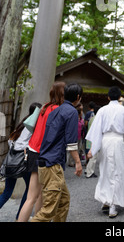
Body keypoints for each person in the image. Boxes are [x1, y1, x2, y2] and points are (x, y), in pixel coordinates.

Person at [30, 83, 83, 222]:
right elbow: (71, 143)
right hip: (52, 164)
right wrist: (78, 162)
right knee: (48, 210)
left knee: (64, 201)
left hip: (46, 162)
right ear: (78, 97)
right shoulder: (71, 112)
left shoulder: (55, 111)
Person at [17, 82, 66, 222]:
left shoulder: (44, 106)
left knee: (33, 196)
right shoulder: (58, 110)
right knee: (37, 196)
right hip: (44, 153)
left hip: (33, 150)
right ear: (63, 94)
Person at [86, 86, 124, 218]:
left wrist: (93, 148)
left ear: (108, 97)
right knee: (118, 172)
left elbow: (96, 130)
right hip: (118, 141)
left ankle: (106, 201)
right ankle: (112, 205)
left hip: (105, 141)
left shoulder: (102, 110)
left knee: (106, 171)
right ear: (120, 97)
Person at [0, 102, 42, 220]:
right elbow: (25, 145)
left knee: (7, 192)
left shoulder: (23, 123)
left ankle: (21, 216)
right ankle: (20, 217)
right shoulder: (32, 126)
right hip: (24, 162)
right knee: (30, 191)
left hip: (11, 162)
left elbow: (11, 141)